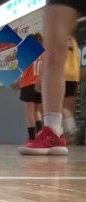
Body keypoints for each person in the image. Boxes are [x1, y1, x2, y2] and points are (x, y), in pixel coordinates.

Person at [19, 0, 85, 155]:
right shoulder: (71, 44)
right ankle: (54, 132)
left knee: (33, 111)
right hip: (68, 77)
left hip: (31, 82)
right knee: (54, 48)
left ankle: (52, 131)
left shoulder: (29, 54)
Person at [17, 33, 44, 143]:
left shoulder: (26, 51)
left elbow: (13, 58)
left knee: (30, 113)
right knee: (37, 111)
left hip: (27, 84)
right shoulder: (43, 53)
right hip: (39, 84)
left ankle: (32, 139)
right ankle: (40, 135)